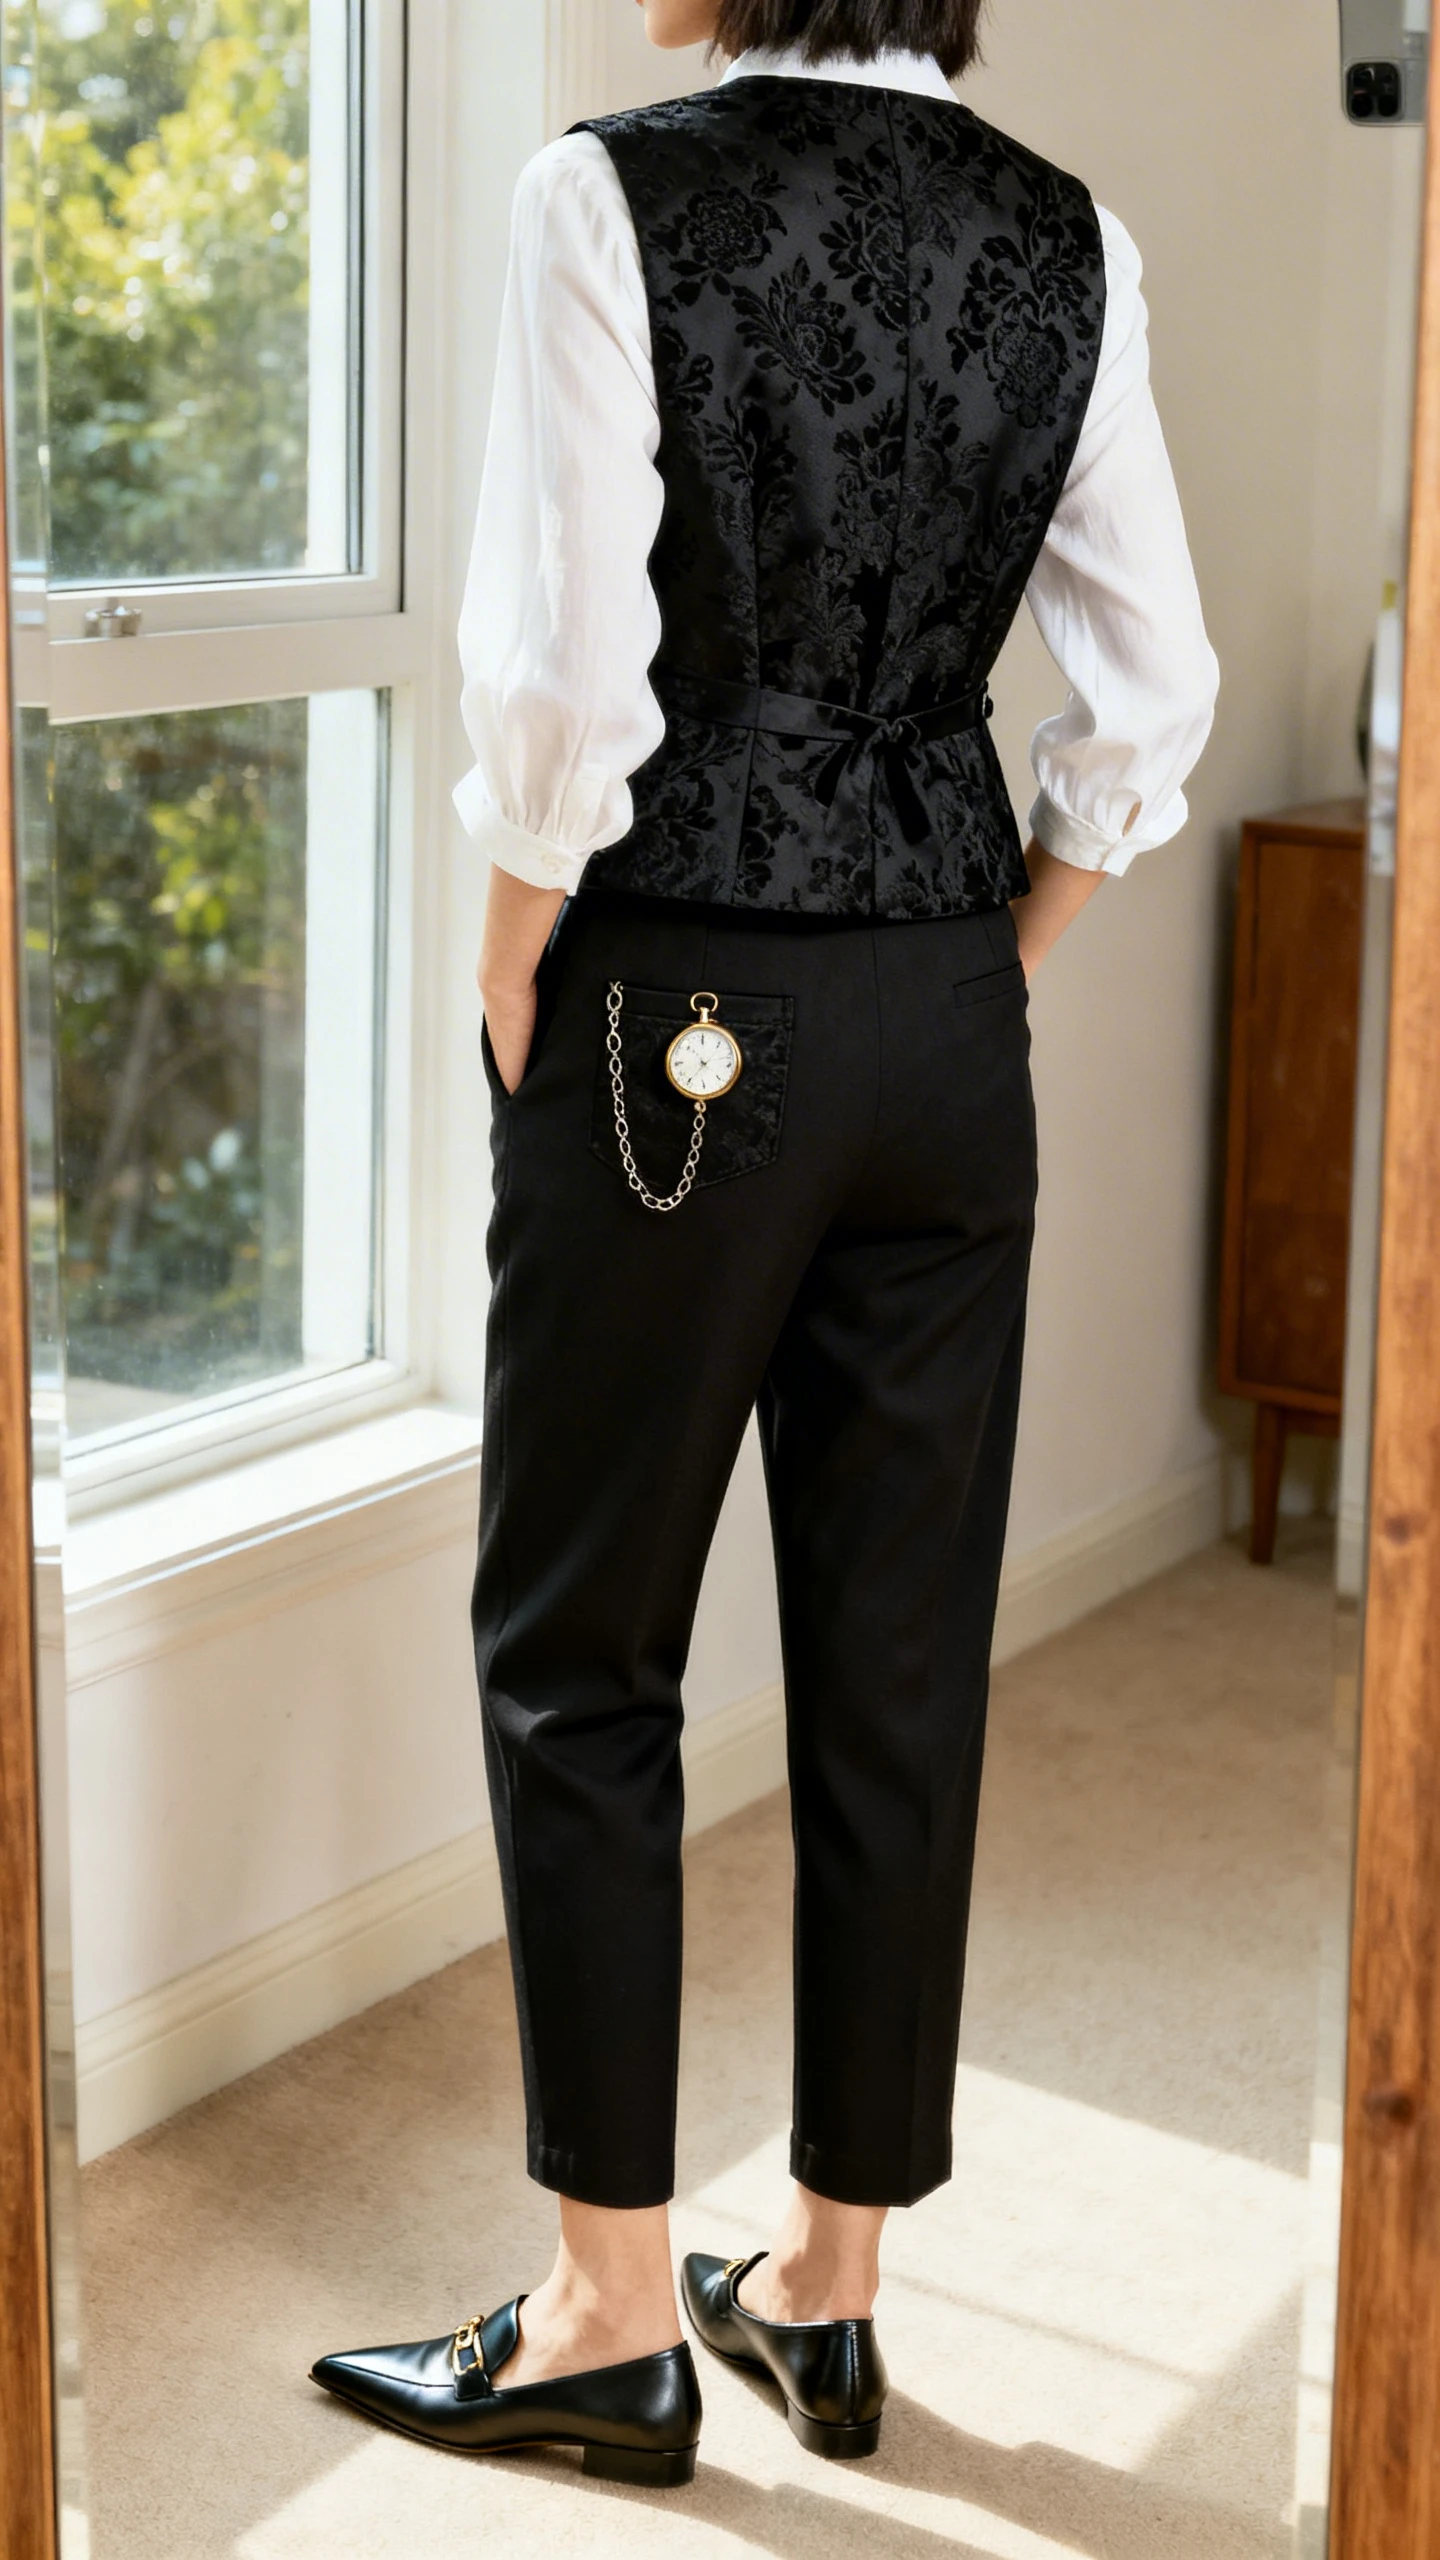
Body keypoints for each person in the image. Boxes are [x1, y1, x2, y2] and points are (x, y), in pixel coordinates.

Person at [311, 0, 1218, 2485]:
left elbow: (567, 672)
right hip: (946, 1009)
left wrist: (515, 945)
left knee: (581, 1643)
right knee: (898, 1658)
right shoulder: (1073, 235)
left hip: (676, 992)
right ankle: (830, 2279)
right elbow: (1154, 680)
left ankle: (608, 2316)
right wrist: (996, 952)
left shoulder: (607, 192)